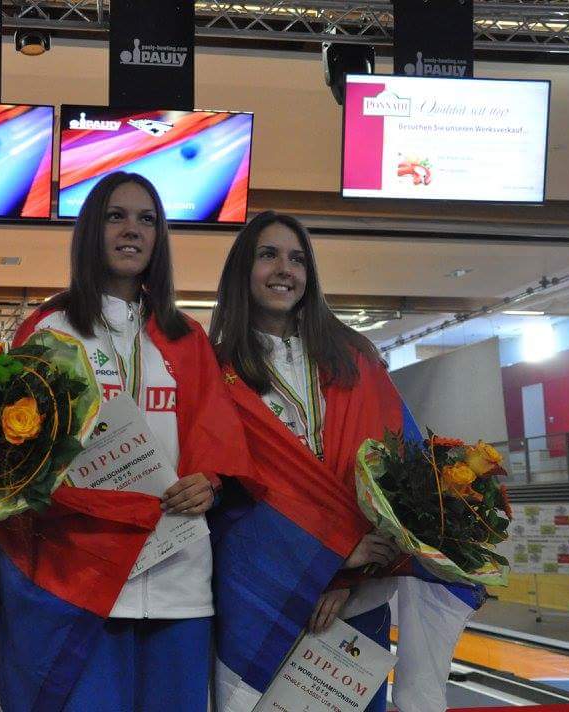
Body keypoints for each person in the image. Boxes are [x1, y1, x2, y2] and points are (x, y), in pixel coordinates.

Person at [0, 172, 250, 712]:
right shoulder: (50, 328)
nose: (132, 229)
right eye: (116, 216)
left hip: (178, 579)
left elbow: (214, 435)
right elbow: (14, 460)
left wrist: (209, 482)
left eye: (146, 219)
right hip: (81, 575)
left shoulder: (185, 336)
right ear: (92, 229)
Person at [208, 211, 409, 712]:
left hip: (355, 607)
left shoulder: (355, 359)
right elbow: (225, 503)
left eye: (297, 259)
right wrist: (326, 560)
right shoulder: (215, 370)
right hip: (264, 598)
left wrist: (347, 576)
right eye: (268, 255)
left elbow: (399, 475)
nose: (285, 269)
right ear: (242, 270)